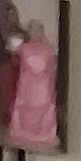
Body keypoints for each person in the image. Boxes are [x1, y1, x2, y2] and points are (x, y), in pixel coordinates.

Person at [7, 20, 58, 151]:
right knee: (25, 107)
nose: (35, 33)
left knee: (41, 107)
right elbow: (11, 50)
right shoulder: (24, 47)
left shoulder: (48, 49)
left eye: (37, 30)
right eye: (32, 30)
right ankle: (24, 132)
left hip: (41, 87)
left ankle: (42, 133)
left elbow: (48, 69)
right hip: (27, 87)